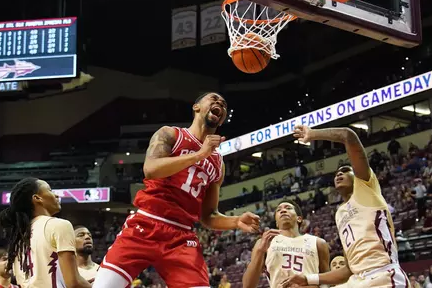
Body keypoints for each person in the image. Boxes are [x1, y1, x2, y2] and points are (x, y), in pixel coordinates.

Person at [93, 92, 260, 288]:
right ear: (196, 107)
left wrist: (236, 221)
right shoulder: (171, 134)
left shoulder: (217, 163)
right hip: (146, 223)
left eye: (223, 105)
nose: (220, 104)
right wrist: (199, 155)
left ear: (222, 119)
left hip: (182, 237)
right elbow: (151, 169)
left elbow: (208, 215)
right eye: (214, 99)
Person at [281, 126, 409, 288]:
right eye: (336, 174)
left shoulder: (366, 187)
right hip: (357, 280)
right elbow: (348, 270)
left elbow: (348, 136)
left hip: (382, 274)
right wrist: (308, 279)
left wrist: (313, 134)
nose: (339, 174)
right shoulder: (340, 213)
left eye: (345, 170)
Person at [0, 177, 90, 288]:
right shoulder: (59, 225)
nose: (56, 195)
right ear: (37, 198)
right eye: (50, 190)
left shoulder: (19, 240)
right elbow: (73, 283)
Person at [243, 200, 330, 288]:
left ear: (299, 218)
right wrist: (260, 251)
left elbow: (327, 282)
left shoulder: (318, 243)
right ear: (276, 222)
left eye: (288, 208)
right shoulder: (265, 242)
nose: (283, 210)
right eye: (278, 210)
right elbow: (247, 286)